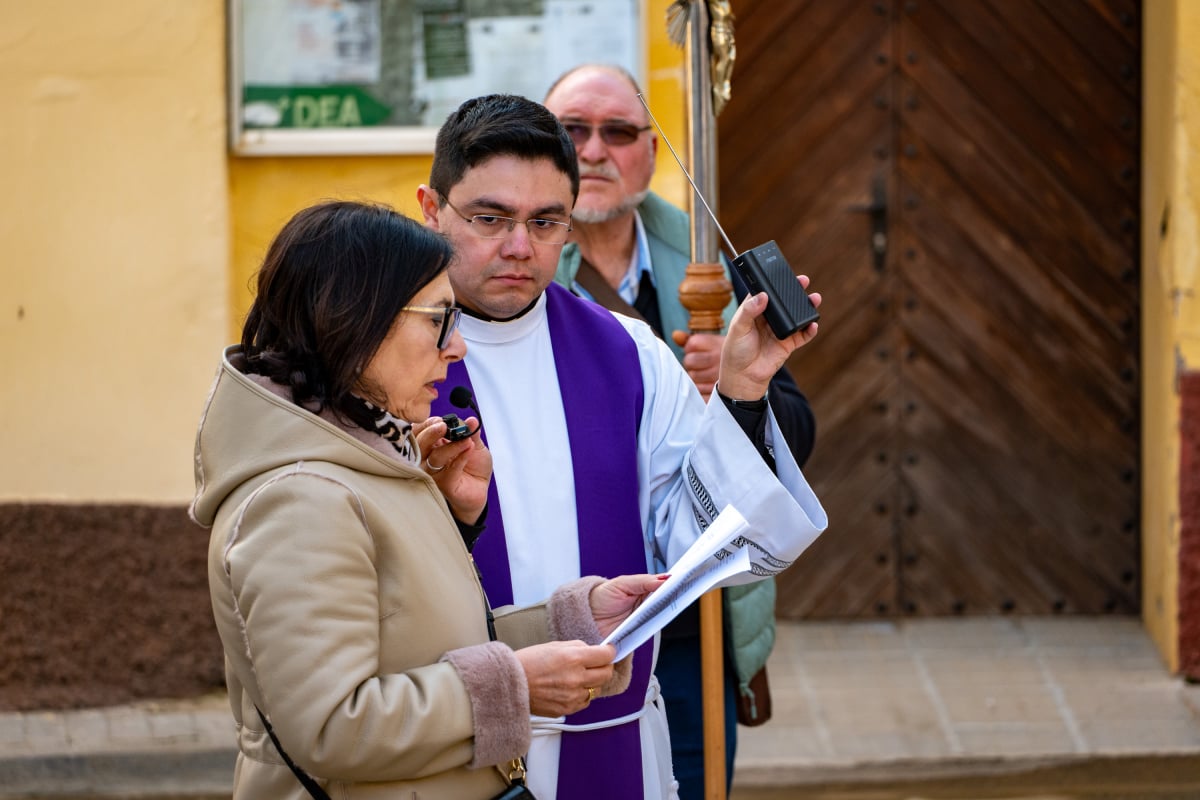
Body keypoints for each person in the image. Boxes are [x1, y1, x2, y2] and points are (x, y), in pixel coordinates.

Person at [418, 94, 828, 800]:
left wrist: (741, 392)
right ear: (431, 208)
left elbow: (696, 550)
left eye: (546, 222)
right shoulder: (382, 352)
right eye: (489, 219)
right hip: (445, 742)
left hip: (609, 735)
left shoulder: (627, 352)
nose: (519, 246)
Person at [189, 200, 666, 800]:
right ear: (356, 320)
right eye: (440, 318)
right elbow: (335, 728)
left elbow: (412, 643)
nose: (458, 347)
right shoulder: (297, 499)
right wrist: (516, 682)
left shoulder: (364, 460)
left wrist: (568, 621)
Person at [543, 63, 818, 798]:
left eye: (618, 132)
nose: (593, 151)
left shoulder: (707, 268)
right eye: (571, 131)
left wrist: (735, 393)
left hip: (692, 611)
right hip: (568, 613)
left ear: (651, 152)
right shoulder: (517, 272)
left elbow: (796, 433)